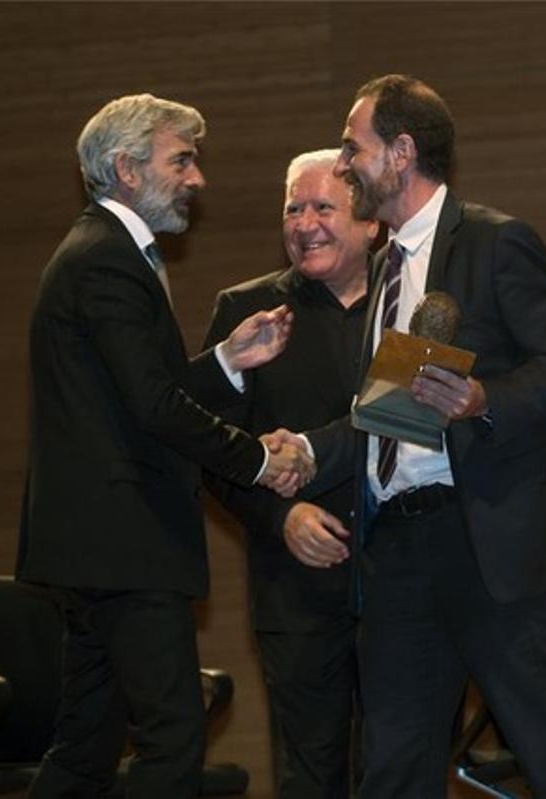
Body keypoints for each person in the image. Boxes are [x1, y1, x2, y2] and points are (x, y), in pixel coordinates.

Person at [298, 74, 546, 798]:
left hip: (485, 542)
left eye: (355, 147)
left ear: (401, 152)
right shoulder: (383, 269)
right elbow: (387, 412)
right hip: (396, 551)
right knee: (394, 766)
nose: (343, 163)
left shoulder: (495, 243)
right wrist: (307, 451)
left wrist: (482, 401)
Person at [18, 93, 312, 798]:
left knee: (85, 747)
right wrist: (260, 460)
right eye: (181, 160)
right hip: (126, 546)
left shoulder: (100, 251)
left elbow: (136, 394)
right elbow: (152, 406)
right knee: (173, 740)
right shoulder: (107, 259)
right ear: (125, 168)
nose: (197, 179)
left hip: (98, 548)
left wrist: (227, 362)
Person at [203, 149, 378, 798]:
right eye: (292, 208)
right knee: (311, 777)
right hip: (297, 596)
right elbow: (211, 453)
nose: (305, 223)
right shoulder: (245, 313)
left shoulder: (411, 303)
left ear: (372, 223)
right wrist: (283, 517)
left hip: (409, 589)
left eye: (323, 207)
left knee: (401, 772)